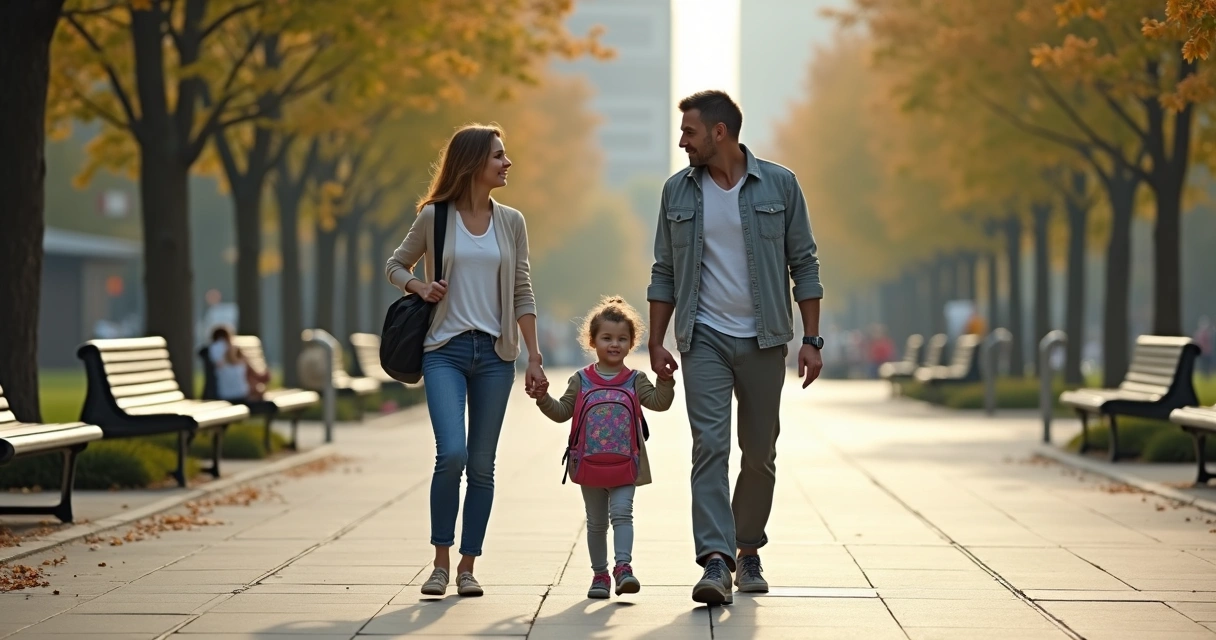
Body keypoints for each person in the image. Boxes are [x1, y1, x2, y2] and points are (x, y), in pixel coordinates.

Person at [647, 90, 824, 605]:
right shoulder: (676, 192)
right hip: (703, 337)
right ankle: (716, 560)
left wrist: (811, 339)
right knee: (709, 447)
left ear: (719, 132)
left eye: (689, 132)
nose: (682, 141)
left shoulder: (780, 184)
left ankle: (748, 550)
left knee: (760, 454)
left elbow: (805, 265)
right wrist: (656, 341)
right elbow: (664, 271)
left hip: (766, 338)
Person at [385, 123, 546, 598]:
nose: (507, 162)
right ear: (474, 162)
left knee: (481, 465)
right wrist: (419, 285)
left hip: (495, 356)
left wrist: (534, 356)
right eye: (499, 155)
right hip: (445, 352)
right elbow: (396, 265)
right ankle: (438, 563)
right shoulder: (436, 217)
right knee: (451, 453)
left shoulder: (512, 221)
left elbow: (522, 289)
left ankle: (467, 566)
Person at [530, 296, 676, 600]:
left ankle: (623, 568)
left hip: (626, 465)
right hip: (589, 463)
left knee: (623, 513)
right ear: (592, 340)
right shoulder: (581, 380)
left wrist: (665, 381)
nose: (614, 344)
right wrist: (543, 398)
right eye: (607, 338)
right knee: (596, 522)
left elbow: (660, 404)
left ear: (631, 343)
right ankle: (600, 575)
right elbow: (561, 412)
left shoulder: (636, 380)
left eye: (622, 339)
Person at [208, 325, 268, 401]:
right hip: (237, 393)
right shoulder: (220, 348)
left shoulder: (217, 349)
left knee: (258, 388)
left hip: (234, 392)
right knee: (259, 389)